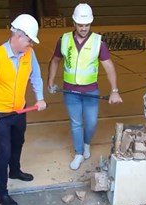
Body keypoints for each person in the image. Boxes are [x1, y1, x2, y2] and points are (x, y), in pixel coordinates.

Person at [0, 14, 47, 205]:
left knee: (18, 142)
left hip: (19, 110)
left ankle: (15, 171)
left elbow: (36, 77)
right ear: (17, 36)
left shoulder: (29, 54)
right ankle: (2, 193)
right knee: (4, 151)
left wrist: (40, 98)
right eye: (29, 40)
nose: (30, 44)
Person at [47, 3, 123, 171]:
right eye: (80, 25)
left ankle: (86, 143)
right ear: (74, 23)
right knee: (76, 123)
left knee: (91, 123)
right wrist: (50, 81)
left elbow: (109, 66)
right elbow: (55, 60)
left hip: (90, 92)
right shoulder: (64, 39)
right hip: (70, 92)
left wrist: (114, 91)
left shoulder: (98, 42)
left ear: (91, 23)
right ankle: (79, 152)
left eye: (87, 25)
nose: (83, 28)